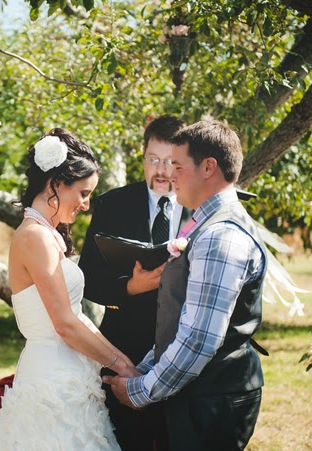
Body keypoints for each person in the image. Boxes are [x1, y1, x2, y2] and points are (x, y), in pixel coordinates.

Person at [103, 119, 268, 450]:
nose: (170, 175)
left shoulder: (220, 237)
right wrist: (144, 370)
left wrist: (140, 391)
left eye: (178, 165)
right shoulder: (205, 226)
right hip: (195, 392)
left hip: (212, 400)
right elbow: (183, 321)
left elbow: (199, 339)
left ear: (208, 167)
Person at [0, 128, 139, 451]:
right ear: (56, 184)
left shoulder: (48, 234)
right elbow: (65, 324)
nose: (86, 204)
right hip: (50, 388)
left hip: (70, 379)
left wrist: (127, 362)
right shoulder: (34, 237)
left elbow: (78, 317)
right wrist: (121, 367)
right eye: (83, 193)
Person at [78, 114, 191, 451]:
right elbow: (87, 279)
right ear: (142, 157)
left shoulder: (199, 209)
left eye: (171, 162)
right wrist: (129, 288)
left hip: (182, 350)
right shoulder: (112, 205)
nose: (161, 171)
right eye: (153, 159)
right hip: (123, 350)